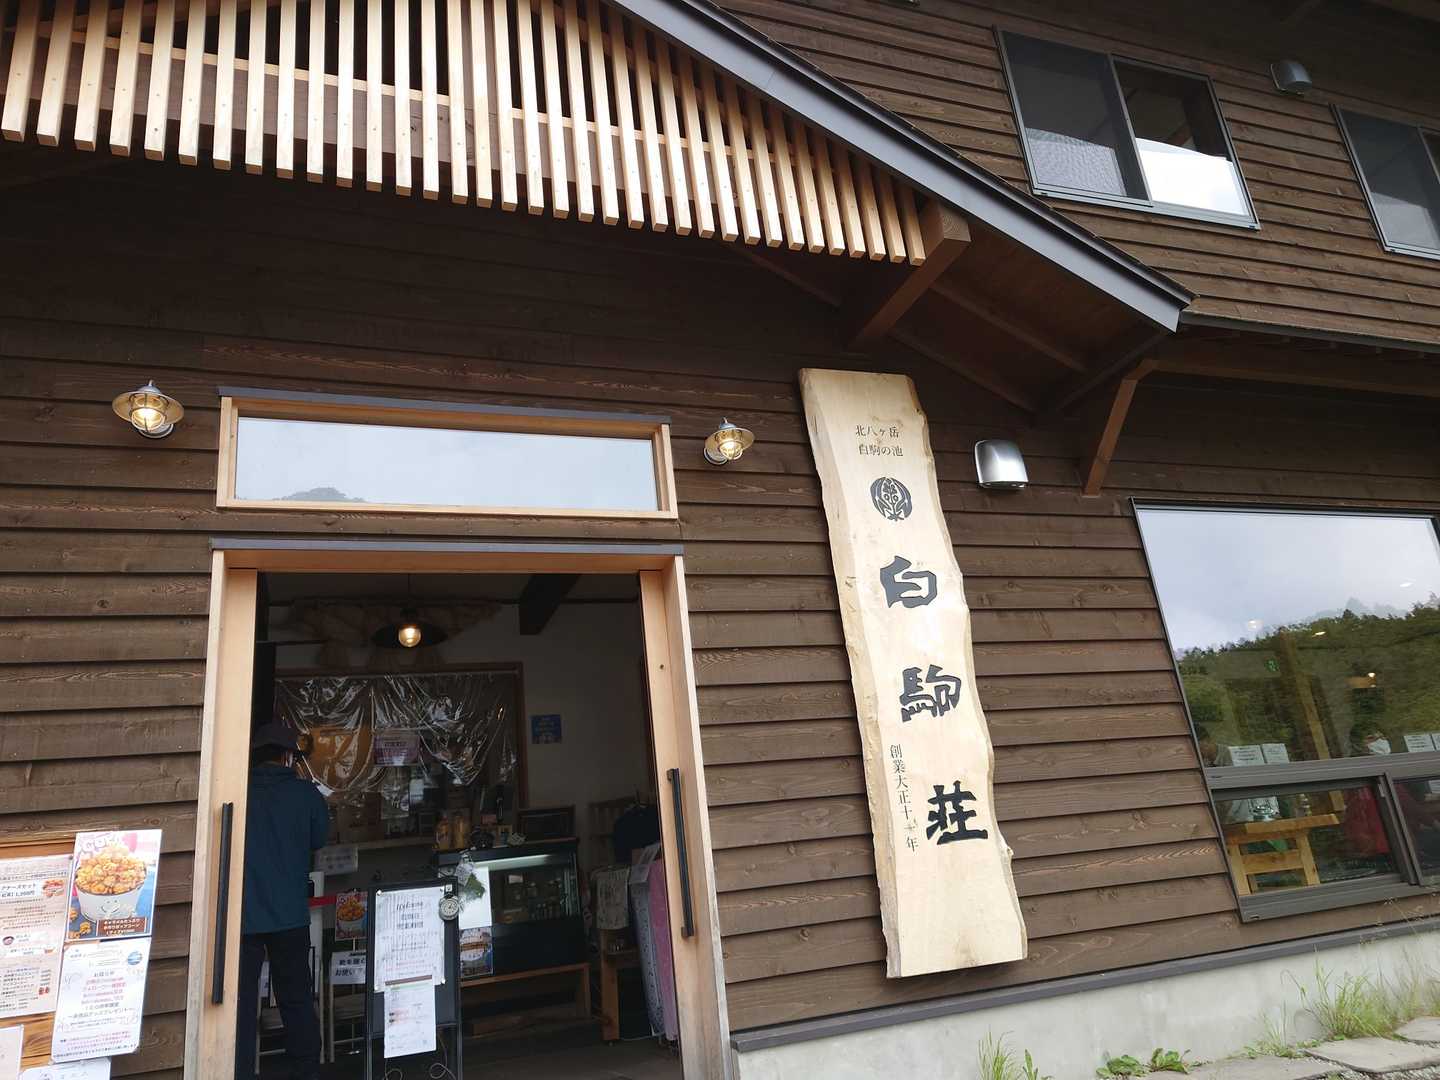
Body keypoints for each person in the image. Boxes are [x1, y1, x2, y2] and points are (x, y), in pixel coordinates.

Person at [235, 723, 329, 1080]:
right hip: (290, 913)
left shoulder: (238, 790)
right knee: (296, 998)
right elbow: (318, 839)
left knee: (242, 1004)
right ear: (288, 756)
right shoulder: (305, 794)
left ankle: (239, 1070)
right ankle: (307, 1071)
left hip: (243, 917)